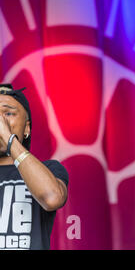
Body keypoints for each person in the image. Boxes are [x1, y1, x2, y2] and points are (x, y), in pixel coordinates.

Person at [0, 84, 68, 250]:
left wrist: (8, 138)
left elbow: (53, 198)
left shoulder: (50, 168)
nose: (0, 121)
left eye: (8, 113)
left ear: (27, 128)